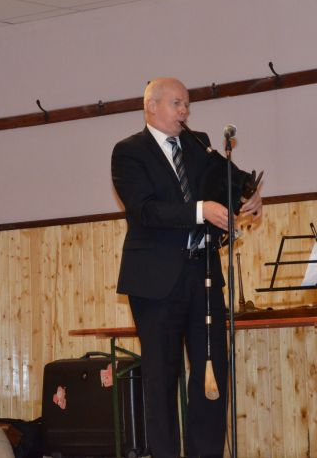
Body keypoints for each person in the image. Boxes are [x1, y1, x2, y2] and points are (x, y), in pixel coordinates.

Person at [111, 77, 262, 458]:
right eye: (177, 104)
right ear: (152, 106)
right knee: (162, 378)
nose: (185, 112)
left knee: (213, 371)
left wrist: (250, 195)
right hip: (155, 283)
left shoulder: (197, 143)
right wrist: (200, 210)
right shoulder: (129, 152)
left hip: (203, 274)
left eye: (187, 105)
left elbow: (228, 181)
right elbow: (144, 210)